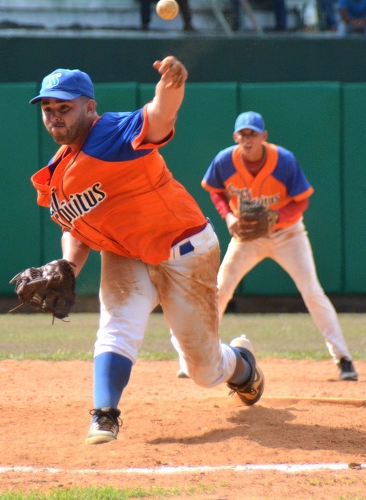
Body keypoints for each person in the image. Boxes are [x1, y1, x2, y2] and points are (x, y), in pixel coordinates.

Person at [26, 60, 265, 445]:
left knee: (203, 370)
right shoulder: (57, 173)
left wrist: (171, 85)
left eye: (64, 107)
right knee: (117, 325)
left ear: (89, 107)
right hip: (125, 254)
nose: (54, 116)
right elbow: (75, 228)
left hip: (184, 250)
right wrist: (67, 265)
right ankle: (105, 416)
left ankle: (241, 365)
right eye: (48, 109)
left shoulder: (113, 133)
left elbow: (158, 114)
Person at [197, 111, 358, 382]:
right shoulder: (225, 160)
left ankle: (343, 359)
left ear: (264, 136)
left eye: (253, 133)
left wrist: (274, 221)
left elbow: (301, 201)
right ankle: (200, 357)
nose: (247, 139)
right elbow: (215, 190)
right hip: (247, 236)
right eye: (242, 134)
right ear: (236, 136)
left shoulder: (283, 160)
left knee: (312, 291)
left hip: (288, 236)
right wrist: (229, 216)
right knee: (220, 288)